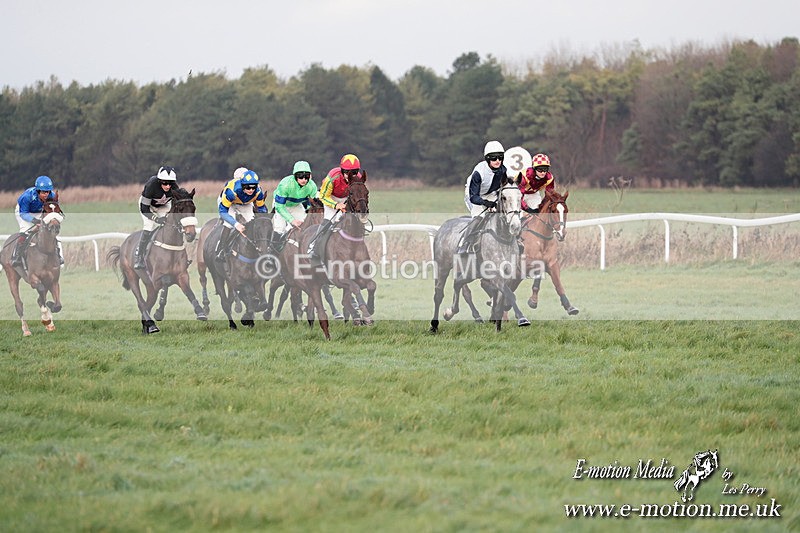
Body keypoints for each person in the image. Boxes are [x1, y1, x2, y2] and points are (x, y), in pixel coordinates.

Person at [307, 153, 364, 260]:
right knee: (329, 221)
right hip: (330, 197)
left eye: (355, 172)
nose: (351, 175)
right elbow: (323, 197)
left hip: (346, 198)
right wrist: (336, 205)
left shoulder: (358, 179)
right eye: (347, 172)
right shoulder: (333, 177)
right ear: (342, 170)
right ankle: (314, 247)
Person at [457, 141, 507, 254]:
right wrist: (486, 203)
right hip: (474, 194)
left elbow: (502, 187)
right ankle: (465, 244)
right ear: (488, 159)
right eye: (494, 158)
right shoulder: (479, 173)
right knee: (479, 217)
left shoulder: (503, 170)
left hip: (490, 193)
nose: (498, 161)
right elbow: (473, 197)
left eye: (500, 157)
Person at [215, 168, 268, 262]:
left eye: (253, 187)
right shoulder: (231, 191)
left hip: (245, 203)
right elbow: (223, 212)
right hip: (229, 203)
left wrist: (263, 219)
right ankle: (221, 249)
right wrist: (236, 224)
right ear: (243, 186)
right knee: (229, 223)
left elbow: (261, 208)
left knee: (253, 222)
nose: (251, 190)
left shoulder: (258, 192)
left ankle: (257, 248)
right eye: (248, 187)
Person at [12, 175, 63, 267]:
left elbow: (54, 209)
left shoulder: (52, 196)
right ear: (37, 191)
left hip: (39, 211)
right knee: (25, 231)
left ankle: (58, 254)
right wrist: (35, 221)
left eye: (48, 191)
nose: (46, 194)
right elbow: (23, 214)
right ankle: (17, 256)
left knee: (51, 230)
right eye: (43, 192)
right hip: (23, 212)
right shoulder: (27, 197)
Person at [134, 166, 178, 270]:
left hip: (162, 206)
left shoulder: (175, 187)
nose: (168, 186)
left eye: (170, 183)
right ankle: (139, 256)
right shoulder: (151, 185)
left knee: (170, 223)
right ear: (159, 181)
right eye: (164, 183)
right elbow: (144, 208)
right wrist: (156, 219)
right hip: (147, 207)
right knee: (149, 226)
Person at [271, 160, 318, 252]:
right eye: (300, 176)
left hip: (296, 205)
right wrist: (292, 220)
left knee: (305, 226)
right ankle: (272, 253)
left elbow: (311, 204)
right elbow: (280, 207)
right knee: (280, 228)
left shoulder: (312, 186)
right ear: (295, 176)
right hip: (281, 205)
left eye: (306, 176)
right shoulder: (285, 185)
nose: (304, 180)